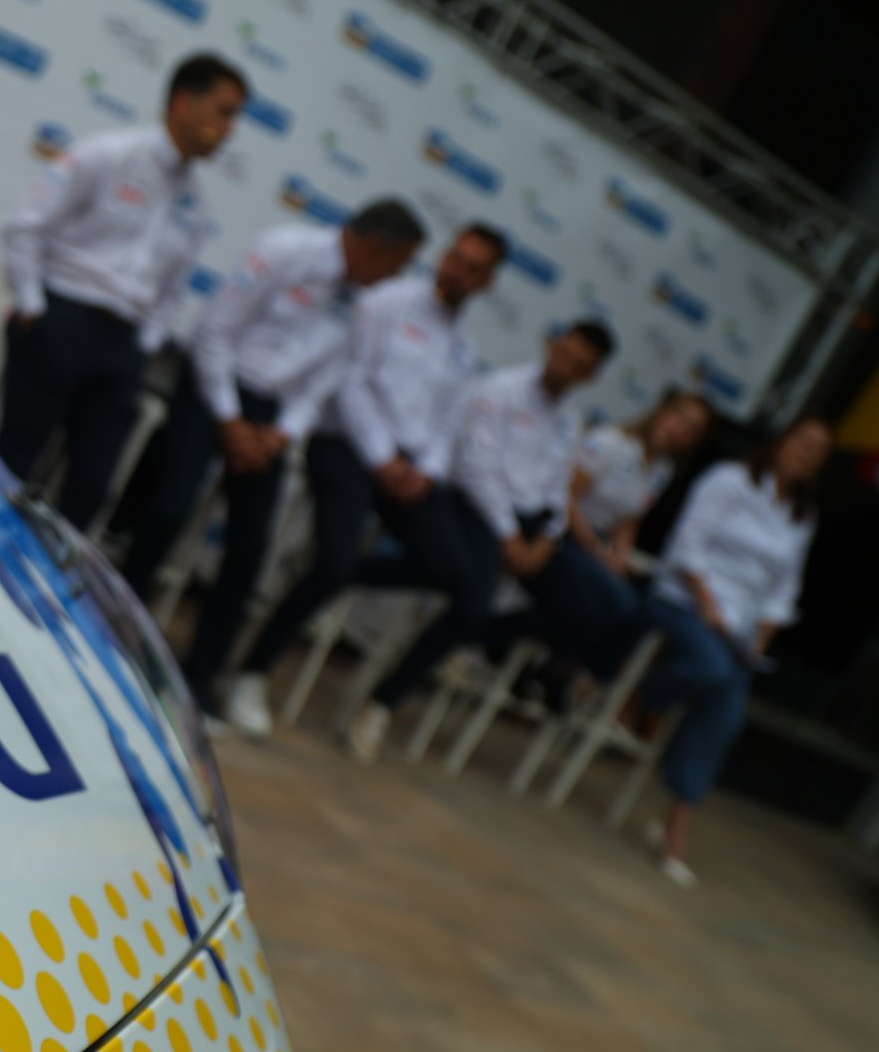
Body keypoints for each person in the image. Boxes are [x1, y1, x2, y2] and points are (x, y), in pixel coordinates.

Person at [119, 199, 426, 711]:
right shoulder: (285, 250)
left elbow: (326, 379)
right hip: (212, 385)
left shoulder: (363, 303)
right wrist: (229, 421)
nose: (396, 276)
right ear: (374, 247)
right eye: (398, 264)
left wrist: (282, 435)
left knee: (249, 548)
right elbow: (215, 333)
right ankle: (114, 625)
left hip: (270, 418)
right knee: (168, 509)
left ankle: (200, 676)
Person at [223, 224, 508, 737]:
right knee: (330, 565)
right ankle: (252, 673)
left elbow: (448, 423)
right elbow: (349, 381)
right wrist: (381, 458)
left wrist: (426, 471)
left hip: (409, 468)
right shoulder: (386, 302)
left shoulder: (465, 346)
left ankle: (345, 572)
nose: (455, 271)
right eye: (454, 257)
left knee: (456, 571)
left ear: (486, 282)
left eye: (472, 268)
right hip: (347, 447)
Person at [0, 54, 251, 530]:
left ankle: (43, 575)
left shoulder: (194, 204)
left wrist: (143, 345)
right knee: (12, 461)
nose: (229, 130)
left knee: (90, 489)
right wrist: (32, 306)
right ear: (183, 103)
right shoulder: (109, 154)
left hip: (122, 348)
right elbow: (25, 226)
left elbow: (172, 291)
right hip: (61, 318)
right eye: (224, 112)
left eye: (234, 117)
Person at [345, 320, 616, 762]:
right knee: (470, 601)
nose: (564, 366)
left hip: (533, 526)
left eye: (578, 364)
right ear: (551, 346)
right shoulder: (501, 389)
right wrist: (509, 537)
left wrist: (547, 539)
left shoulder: (570, 420)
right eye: (564, 353)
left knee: (586, 611)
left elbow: (557, 489)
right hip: (480, 511)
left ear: (590, 375)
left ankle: (476, 637)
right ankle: (382, 701)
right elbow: (478, 469)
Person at [632, 417, 828, 887]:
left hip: (738, 629)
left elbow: (786, 584)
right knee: (710, 669)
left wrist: (764, 631)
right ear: (781, 439)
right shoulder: (730, 480)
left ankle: (674, 828)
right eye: (802, 441)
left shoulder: (801, 514)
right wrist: (708, 605)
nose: (805, 453)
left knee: (726, 718)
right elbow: (688, 544)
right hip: (684, 600)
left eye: (816, 451)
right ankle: (643, 699)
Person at [499, 389, 713, 708]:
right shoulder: (611, 443)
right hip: (557, 534)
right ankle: (533, 657)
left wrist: (621, 556)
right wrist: (599, 552)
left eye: (692, 428)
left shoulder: (661, 469)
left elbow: (627, 521)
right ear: (662, 410)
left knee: (641, 605)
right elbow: (565, 497)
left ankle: (573, 670)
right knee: (613, 604)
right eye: (679, 416)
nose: (680, 428)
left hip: (594, 545)